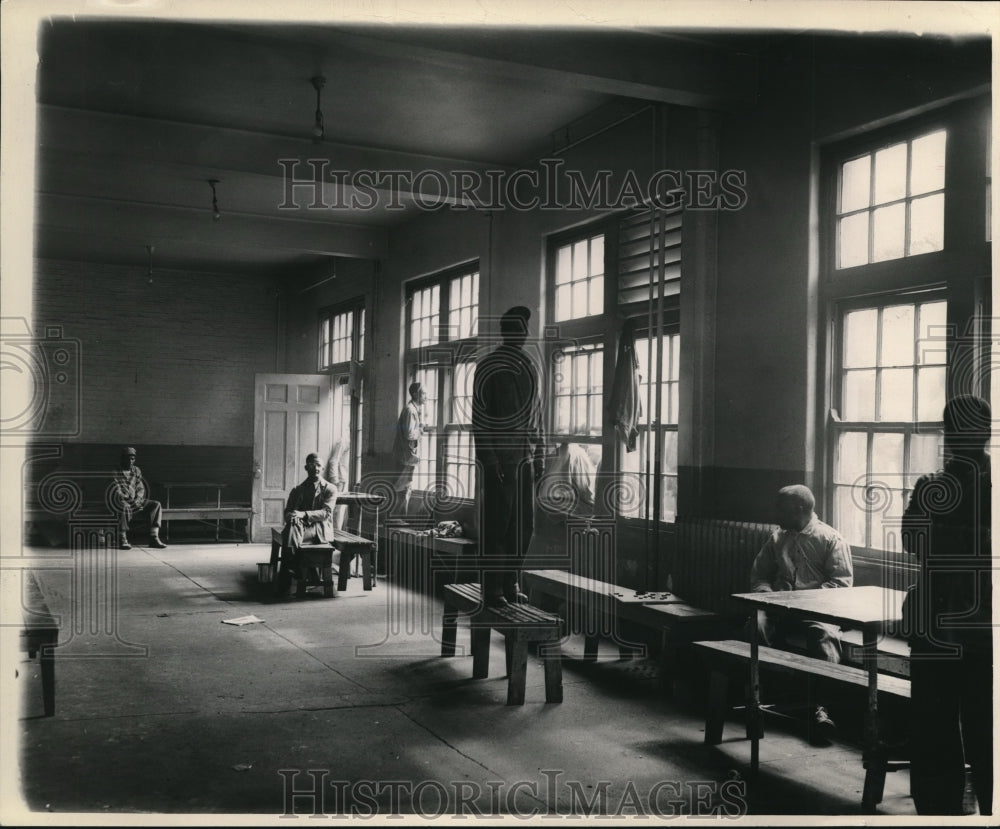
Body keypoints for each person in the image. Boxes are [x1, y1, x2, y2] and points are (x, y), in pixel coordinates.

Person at [902, 395, 992, 816]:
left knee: (934, 728)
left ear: (950, 436)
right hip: (986, 628)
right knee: (988, 729)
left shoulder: (931, 487)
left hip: (937, 623)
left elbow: (911, 543)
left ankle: (940, 814)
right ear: (987, 433)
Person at [749, 484, 854, 744]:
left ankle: (821, 709)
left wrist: (802, 600)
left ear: (798, 509)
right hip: (780, 607)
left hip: (817, 610)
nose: (775, 513)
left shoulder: (830, 539)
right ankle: (761, 696)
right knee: (756, 624)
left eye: (780, 507)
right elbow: (759, 575)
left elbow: (841, 586)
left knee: (824, 637)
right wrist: (770, 595)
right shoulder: (777, 538)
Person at [472, 305, 545, 607]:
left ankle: (511, 582)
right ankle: (492, 588)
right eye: (519, 328)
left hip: (525, 461)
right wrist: (490, 462)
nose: (524, 334)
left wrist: (539, 456)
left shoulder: (529, 367)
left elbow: (537, 416)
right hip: (500, 463)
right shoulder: (488, 367)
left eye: (525, 329)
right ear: (508, 332)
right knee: (498, 526)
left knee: (523, 526)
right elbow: (480, 420)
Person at [274, 452, 338, 595]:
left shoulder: (330, 489)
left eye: (319, 465)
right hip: (300, 528)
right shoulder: (298, 490)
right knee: (292, 525)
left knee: (291, 532)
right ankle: (294, 570)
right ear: (306, 467)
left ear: (322, 469)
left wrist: (303, 514)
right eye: (312, 465)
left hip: (320, 529)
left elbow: (326, 513)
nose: (316, 468)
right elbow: (288, 512)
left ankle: (288, 572)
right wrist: (291, 516)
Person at [113, 446, 166, 550]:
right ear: (122, 458)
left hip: (136, 501)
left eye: (132, 458)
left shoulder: (136, 470)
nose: (130, 461)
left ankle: (154, 537)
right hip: (122, 502)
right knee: (124, 507)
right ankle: (122, 538)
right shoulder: (116, 471)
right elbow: (117, 490)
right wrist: (131, 501)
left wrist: (137, 500)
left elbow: (140, 488)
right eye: (127, 458)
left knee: (156, 504)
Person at [393, 382, 426, 515]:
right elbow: (409, 434)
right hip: (405, 458)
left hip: (407, 457)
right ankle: (396, 520)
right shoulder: (410, 410)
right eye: (424, 393)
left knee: (405, 488)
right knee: (402, 489)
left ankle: (399, 520)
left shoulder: (412, 410)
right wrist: (421, 430)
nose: (426, 397)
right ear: (414, 394)